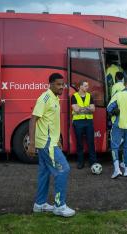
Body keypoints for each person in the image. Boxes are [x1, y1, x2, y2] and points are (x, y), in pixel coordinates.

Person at [28, 73, 75, 217]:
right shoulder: (45, 98)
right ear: (50, 84)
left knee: (45, 173)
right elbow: (33, 119)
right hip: (46, 143)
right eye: (58, 84)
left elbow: (52, 121)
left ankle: (40, 204)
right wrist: (31, 143)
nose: (62, 87)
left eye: (63, 84)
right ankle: (59, 206)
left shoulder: (55, 98)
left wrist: (58, 139)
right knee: (63, 169)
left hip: (50, 142)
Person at [107, 78, 127, 178]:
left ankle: (117, 170)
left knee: (115, 147)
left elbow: (109, 108)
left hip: (118, 125)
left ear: (124, 85)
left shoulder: (118, 95)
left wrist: (114, 112)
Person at [71, 81, 97, 169]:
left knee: (91, 142)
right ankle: (80, 162)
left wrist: (81, 109)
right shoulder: (74, 96)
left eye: (87, 86)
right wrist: (87, 108)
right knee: (79, 143)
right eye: (85, 86)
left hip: (88, 121)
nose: (87, 87)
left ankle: (93, 162)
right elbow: (76, 109)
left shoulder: (89, 96)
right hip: (78, 122)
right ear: (80, 86)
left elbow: (93, 109)